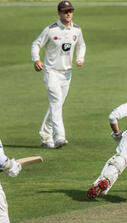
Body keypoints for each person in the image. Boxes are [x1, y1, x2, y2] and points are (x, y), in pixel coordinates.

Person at [31, 0, 86, 149]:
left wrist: (80, 59)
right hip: (52, 72)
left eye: (70, 11)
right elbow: (36, 44)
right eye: (65, 11)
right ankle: (59, 136)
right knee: (56, 102)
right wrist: (36, 59)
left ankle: (45, 134)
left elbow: (82, 45)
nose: (68, 14)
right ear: (59, 13)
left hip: (67, 73)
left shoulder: (77, 30)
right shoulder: (50, 30)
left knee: (57, 104)